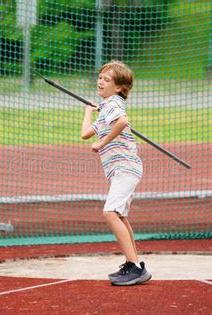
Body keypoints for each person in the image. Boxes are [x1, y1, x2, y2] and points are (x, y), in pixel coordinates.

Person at [81, 60, 151, 286]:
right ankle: (136, 265)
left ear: (120, 87)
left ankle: (134, 267)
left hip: (125, 167)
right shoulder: (105, 109)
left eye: (107, 79)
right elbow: (85, 134)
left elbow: (122, 121)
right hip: (121, 169)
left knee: (110, 212)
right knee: (120, 215)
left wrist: (101, 143)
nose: (100, 81)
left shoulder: (114, 104)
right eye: (100, 77)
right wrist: (89, 111)